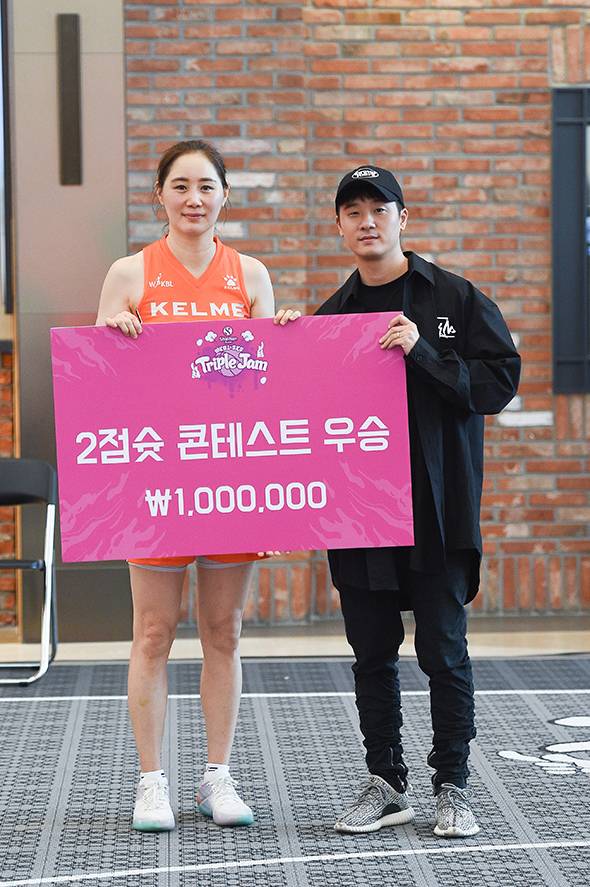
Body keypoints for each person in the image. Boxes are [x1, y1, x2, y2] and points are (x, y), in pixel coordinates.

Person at [95, 140, 299, 832]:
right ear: (158, 194)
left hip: (229, 480)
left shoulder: (251, 275)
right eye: (180, 185)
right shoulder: (129, 273)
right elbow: (101, 387)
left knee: (224, 629)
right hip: (157, 481)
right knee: (153, 631)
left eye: (206, 186)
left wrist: (285, 338)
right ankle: (151, 780)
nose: (193, 199)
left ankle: (217, 775)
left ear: (224, 196)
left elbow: (271, 391)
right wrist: (114, 335)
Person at [314, 165, 521, 837]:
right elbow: (299, 410)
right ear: (339, 226)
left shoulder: (454, 297)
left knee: (443, 651)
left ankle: (452, 784)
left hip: (439, 510)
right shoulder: (330, 317)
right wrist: (287, 343)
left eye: (379, 208)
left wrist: (423, 351)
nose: (367, 221)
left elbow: (499, 383)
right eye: (353, 211)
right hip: (360, 513)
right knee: (372, 654)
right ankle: (385, 782)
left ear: (403, 218)